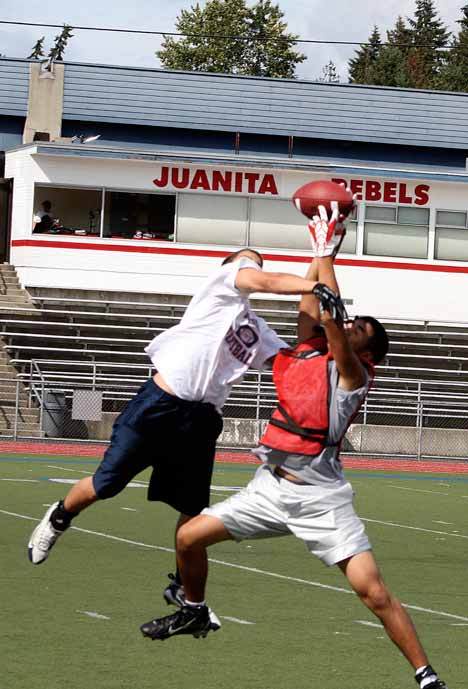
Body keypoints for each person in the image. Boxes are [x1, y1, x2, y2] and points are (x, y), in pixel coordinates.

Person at [140, 207, 448, 689]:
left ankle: (427, 675)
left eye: (356, 330)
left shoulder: (353, 374)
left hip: (321, 498)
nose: (347, 328)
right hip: (269, 488)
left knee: (374, 593)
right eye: (349, 325)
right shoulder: (312, 350)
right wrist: (321, 251)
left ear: (367, 354)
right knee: (186, 538)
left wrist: (325, 252)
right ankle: (194, 611)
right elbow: (315, 303)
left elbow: (329, 316)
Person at [27, 247, 328, 608]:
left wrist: (320, 263)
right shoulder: (221, 285)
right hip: (161, 404)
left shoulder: (256, 329)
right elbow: (266, 280)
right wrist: (308, 284)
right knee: (105, 485)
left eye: (258, 261)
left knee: (193, 509)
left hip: (200, 420)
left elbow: (297, 356)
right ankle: (59, 518)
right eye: (248, 260)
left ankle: (182, 583)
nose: (254, 265)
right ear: (230, 266)